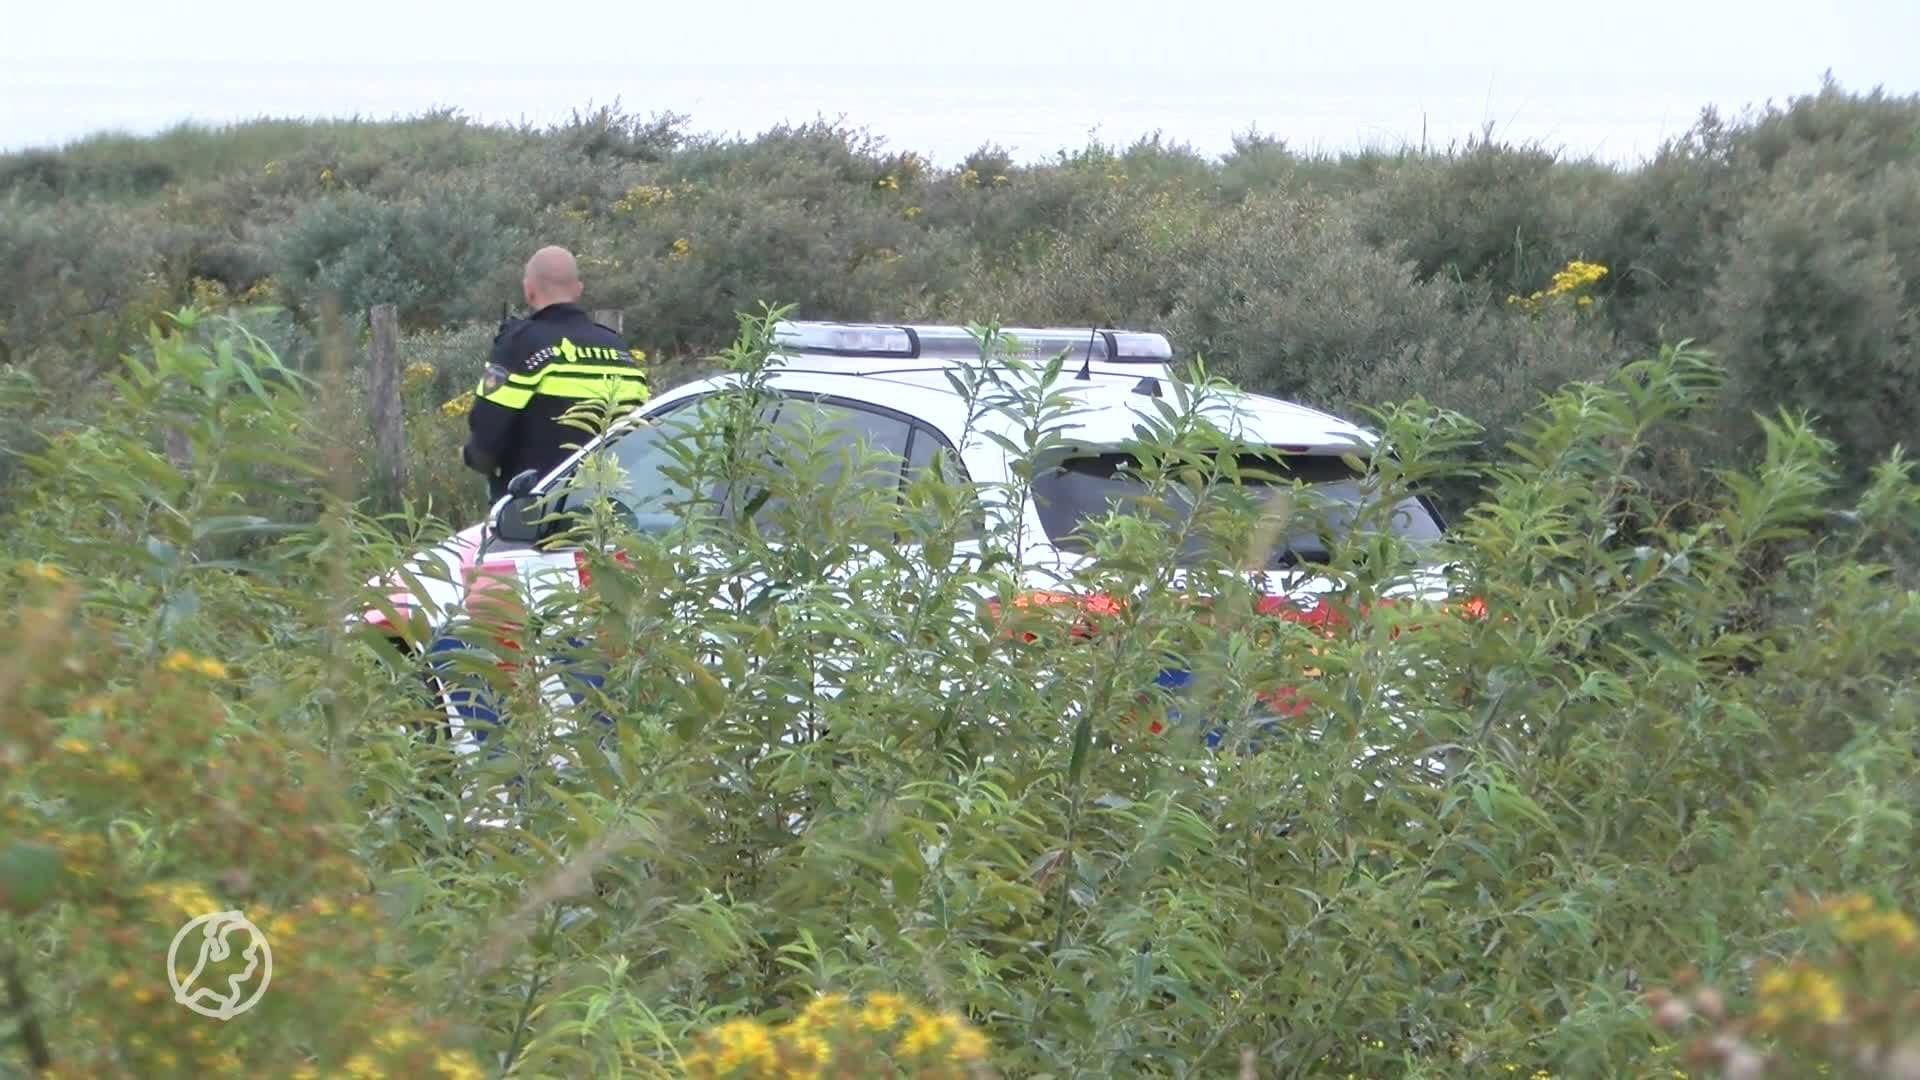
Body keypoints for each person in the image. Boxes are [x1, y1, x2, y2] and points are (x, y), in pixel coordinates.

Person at [462, 246, 650, 501]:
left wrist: (472, 456)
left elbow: (487, 437)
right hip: (609, 515)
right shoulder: (619, 350)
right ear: (578, 290)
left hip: (535, 519)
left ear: (529, 290)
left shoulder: (520, 344)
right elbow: (640, 439)